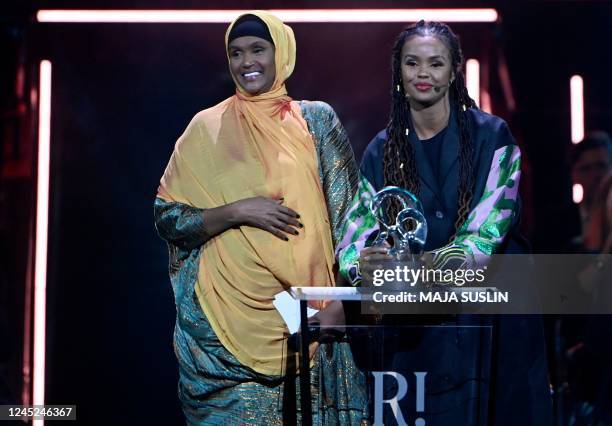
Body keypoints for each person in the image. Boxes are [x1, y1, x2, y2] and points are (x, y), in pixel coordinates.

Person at [154, 11, 367, 425]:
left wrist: (343, 305)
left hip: (311, 326)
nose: (246, 61)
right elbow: (167, 219)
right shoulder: (206, 127)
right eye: (236, 53)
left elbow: (351, 220)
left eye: (257, 49)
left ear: (280, 53)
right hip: (222, 336)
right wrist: (239, 210)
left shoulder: (315, 121)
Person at [336, 20, 552, 425]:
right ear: (398, 71)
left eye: (436, 64)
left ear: (454, 71)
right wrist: (364, 265)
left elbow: (485, 238)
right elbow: (352, 238)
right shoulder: (380, 150)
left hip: (492, 316)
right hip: (416, 325)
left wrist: (404, 272)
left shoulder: (494, 136)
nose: (423, 74)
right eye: (412, 63)